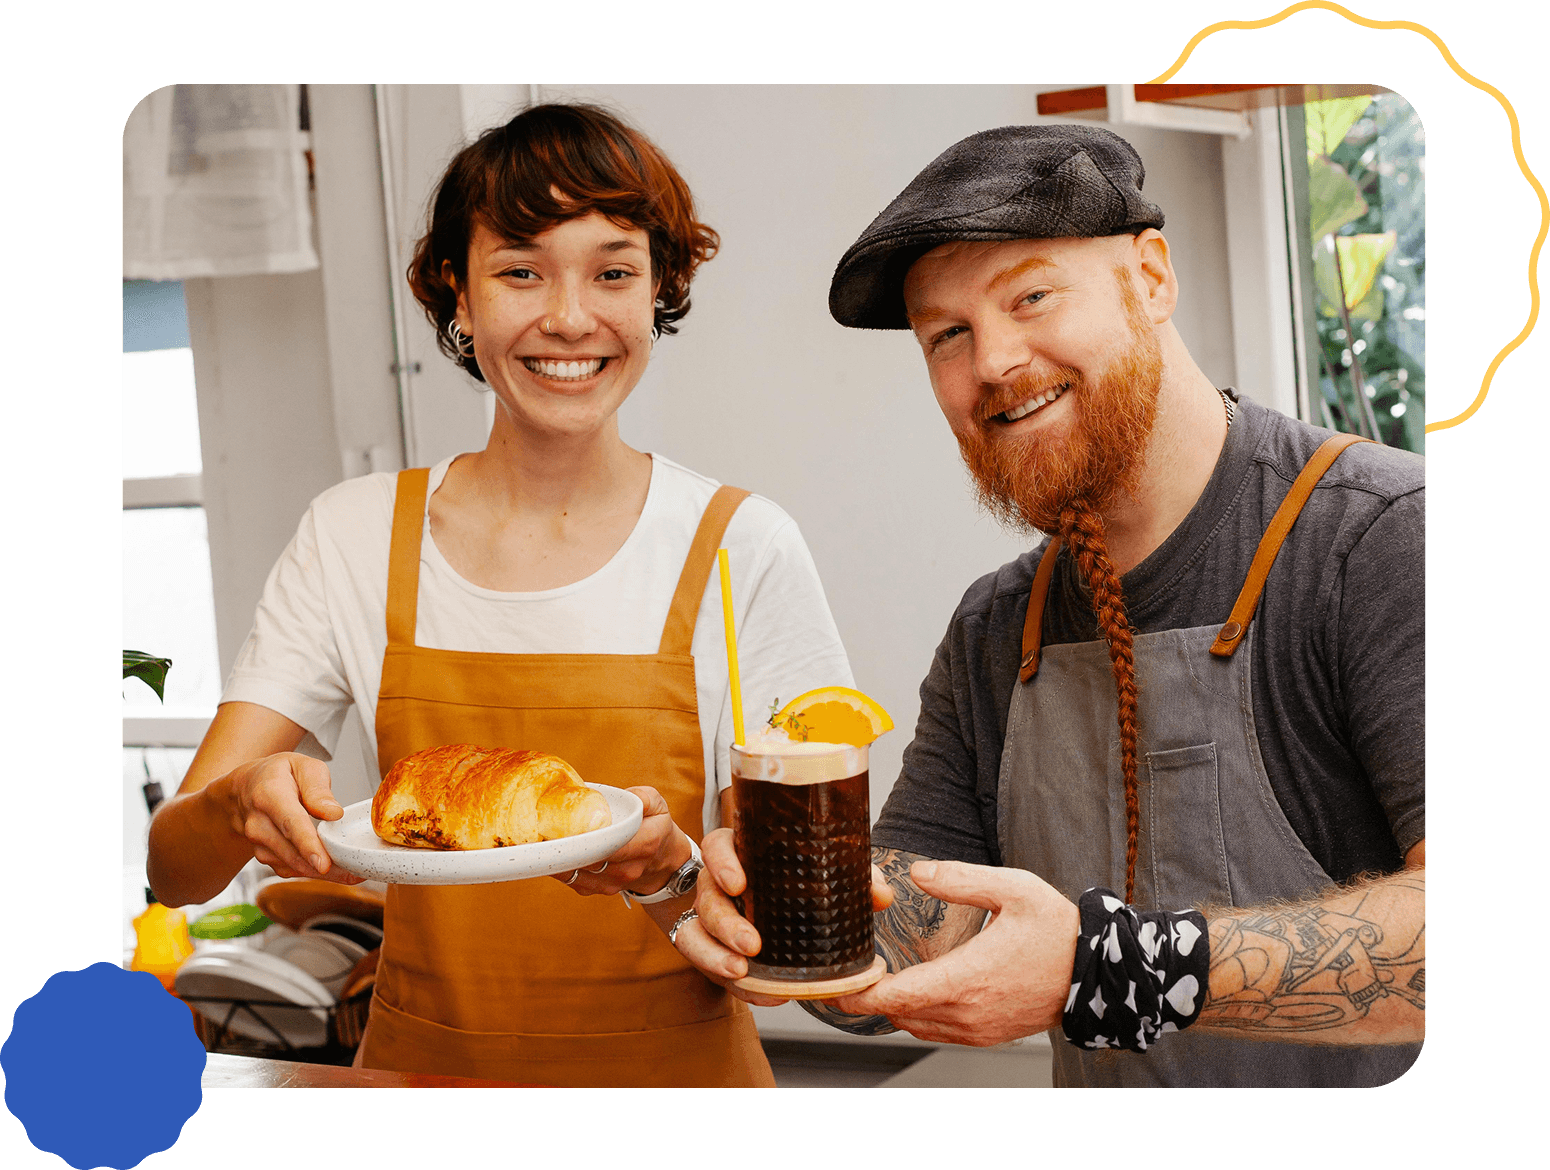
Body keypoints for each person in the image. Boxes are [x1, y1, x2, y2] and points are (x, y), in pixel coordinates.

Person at [680, 124, 1425, 1087]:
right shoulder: (998, 627)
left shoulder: (1383, 539)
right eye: (946, 335)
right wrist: (751, 900)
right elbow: (902, 938)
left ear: (1150, 277)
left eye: (1030, 296)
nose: (992, 362)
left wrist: (1110, 967)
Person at [145, 102, 853, 1087]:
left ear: (659, 289)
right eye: (521, 271)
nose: (569, 317)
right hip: (416, 1091)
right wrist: (235, 803)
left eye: (613, 272)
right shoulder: (352, 535)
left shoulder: (742, 546)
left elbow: (788, 954)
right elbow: (174, 871)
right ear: (459, 294)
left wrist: (672, 872)